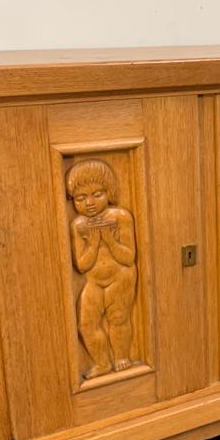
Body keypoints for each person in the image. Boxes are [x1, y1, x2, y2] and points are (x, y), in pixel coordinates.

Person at [66, 159, 138, 377]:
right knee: (86, 323)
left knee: (118, 319)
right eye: (80, 198)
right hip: (94, 281)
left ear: (109, 192)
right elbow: (81, 265)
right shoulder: (78, 225)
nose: (89, 203)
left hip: (121, 277)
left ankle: (121, 357)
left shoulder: (120, 217)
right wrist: (95, 243)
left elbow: (128, 257)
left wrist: (110, 240)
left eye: (97, 194)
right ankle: (102, 363)